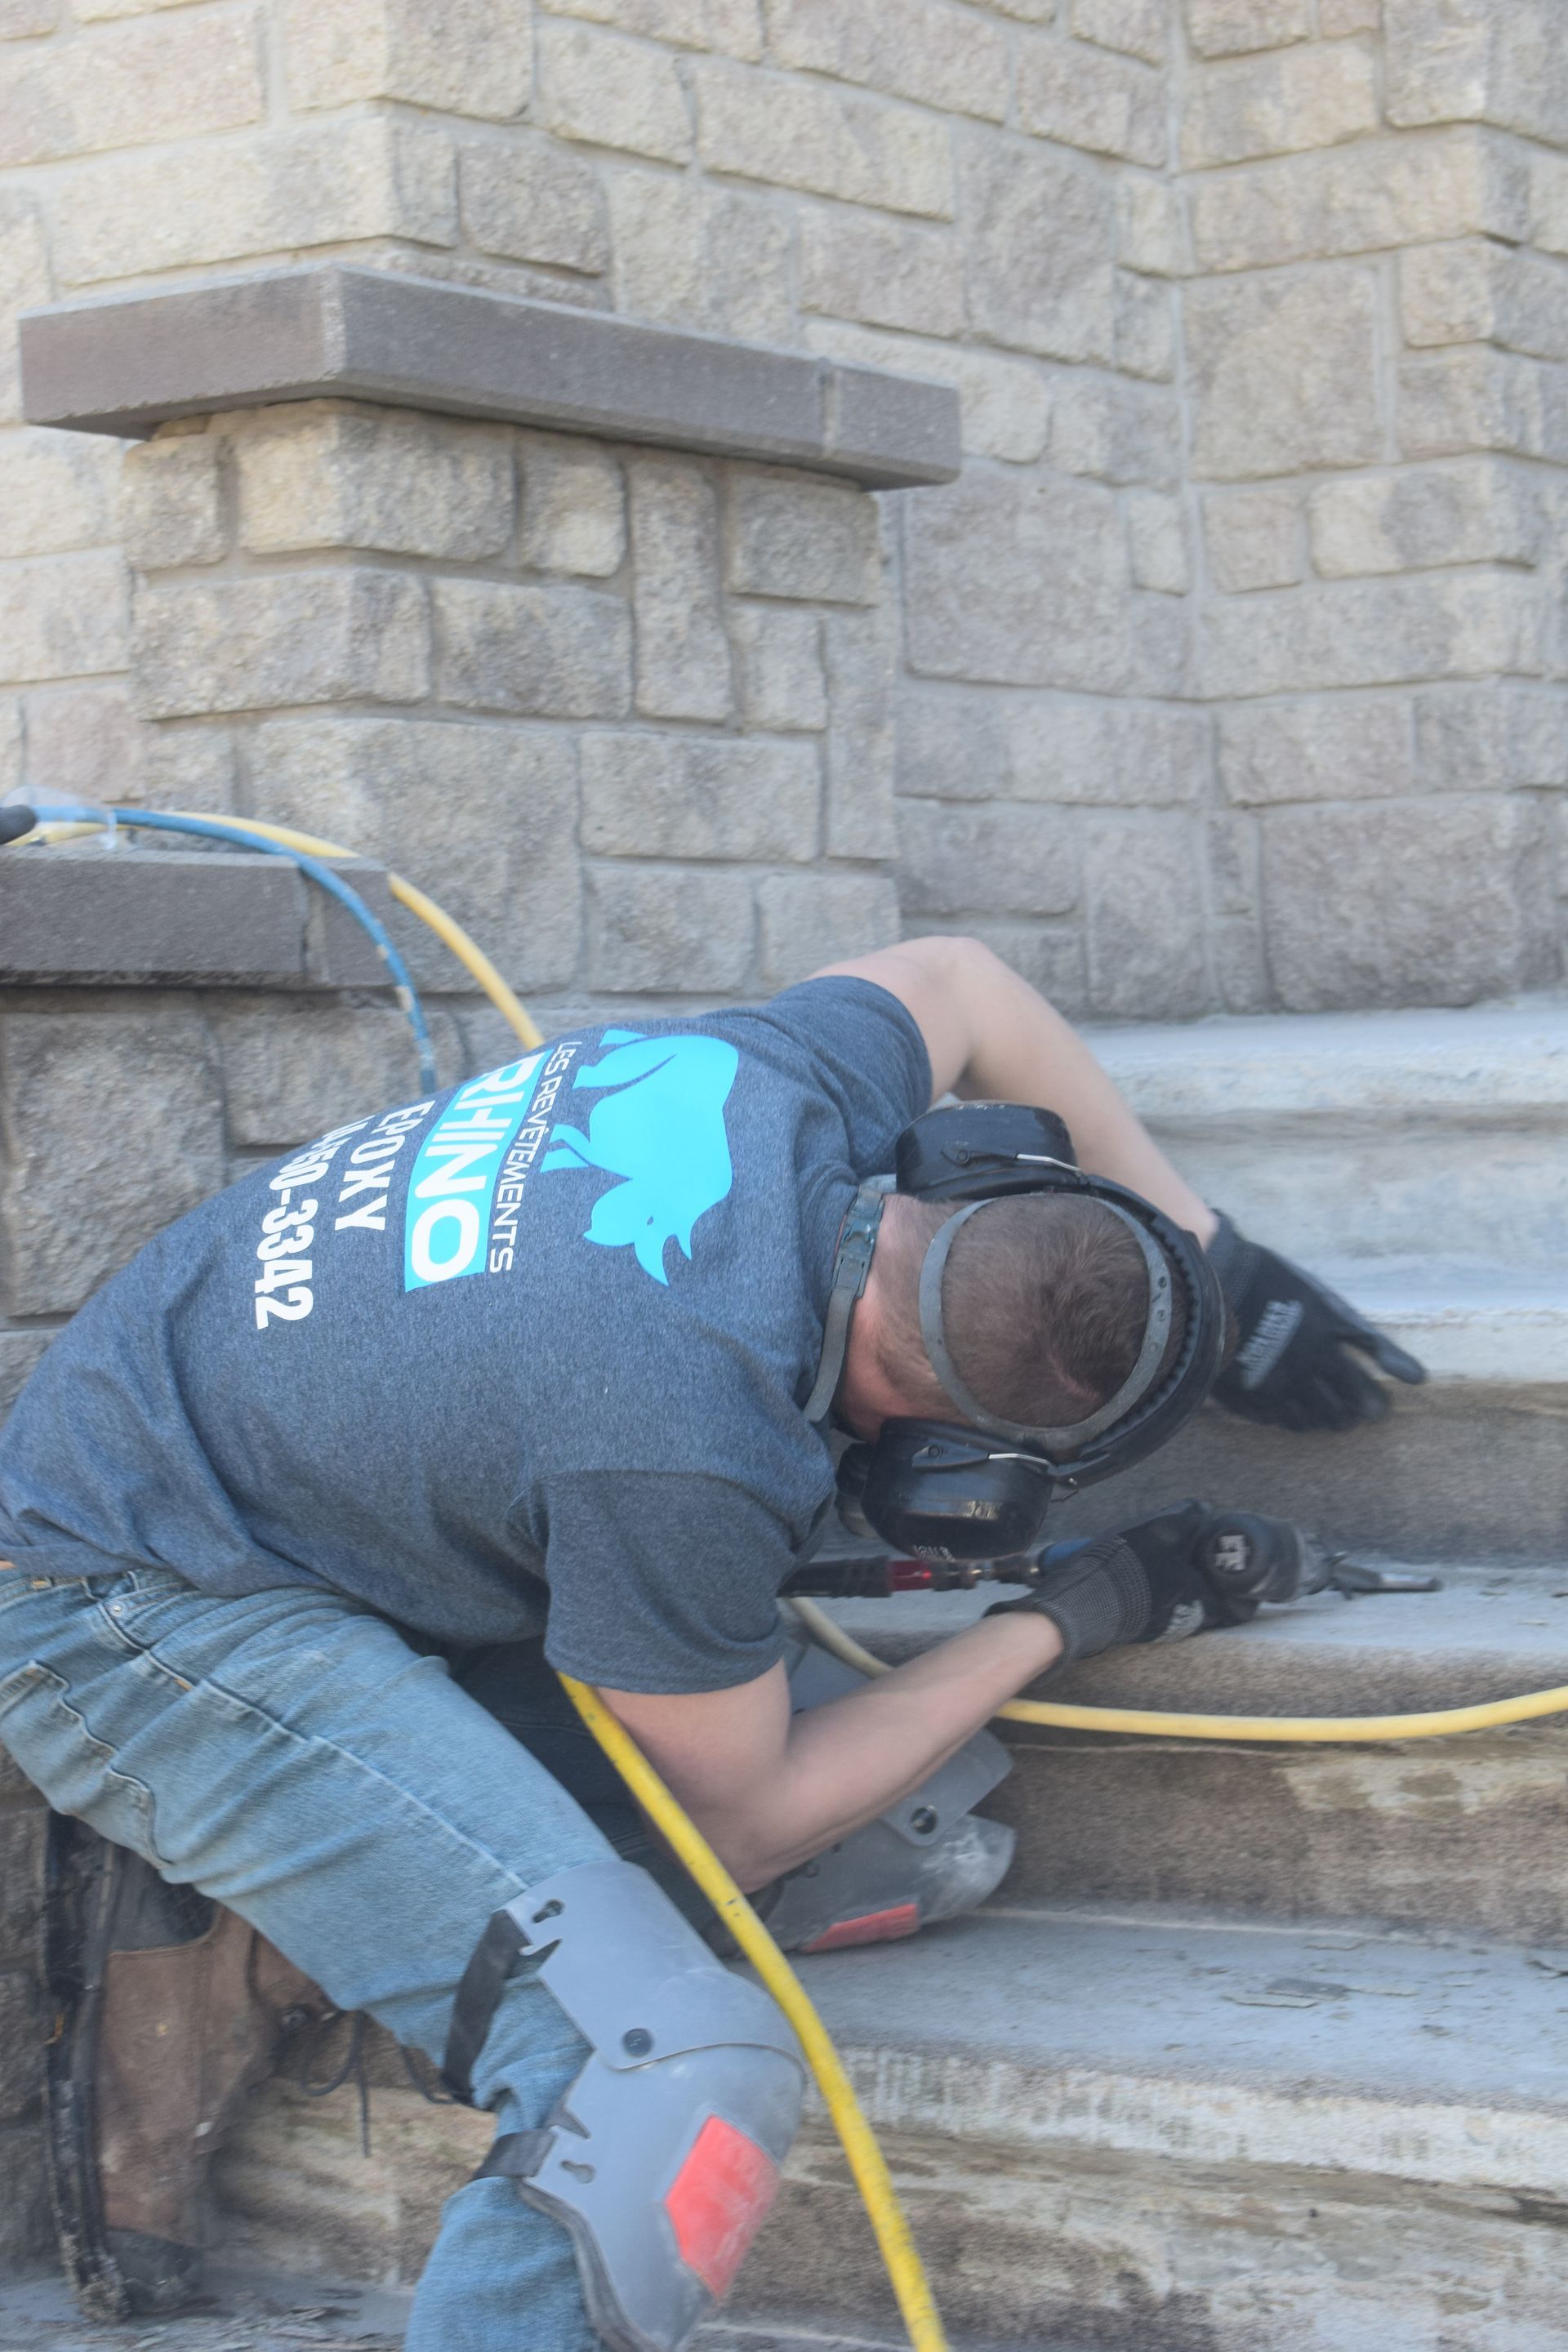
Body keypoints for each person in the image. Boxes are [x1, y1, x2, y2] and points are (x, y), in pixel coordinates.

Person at [0, 936, 1423, 2350]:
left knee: (909, 1846)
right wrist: (1082, 1610)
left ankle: (289, 1911)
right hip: (131, 1606)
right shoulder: (685, 1449)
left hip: (245, 1457)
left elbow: (968, 978)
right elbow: (738, 1824)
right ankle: (265, 1893)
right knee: (647, 2066)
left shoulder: (788, 1080)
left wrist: (1210, 1265)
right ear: (955, 1467)